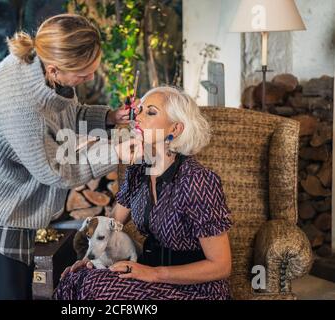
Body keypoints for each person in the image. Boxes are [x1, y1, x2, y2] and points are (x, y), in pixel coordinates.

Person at [0, 14, 136, 300]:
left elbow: (68, 115)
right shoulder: (24, 108)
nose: (89, 78)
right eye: (84, 74)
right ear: (55, 69)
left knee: (21, 279)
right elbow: (57, 171)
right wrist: (116, 153)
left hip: (10, 186)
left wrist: (110, 117)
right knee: (11, 293)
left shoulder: (42, 66)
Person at [55, 86, 233, 300]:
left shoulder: (197, 180)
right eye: (139, 110)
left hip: (194, 288)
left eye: (150, 112)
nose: (137, 117)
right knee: (76, 277)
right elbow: (112, 223)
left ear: (174, 129)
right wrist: (93, 258)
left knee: (94, 286)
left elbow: (221, 266)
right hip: (147, 275)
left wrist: (153, 273)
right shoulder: (138, 170)